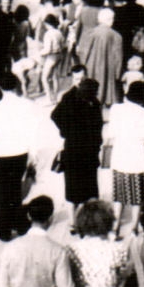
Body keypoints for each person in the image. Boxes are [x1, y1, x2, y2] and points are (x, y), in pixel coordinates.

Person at [0, 72, 46, 241]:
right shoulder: (27, 105)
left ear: (1, 88)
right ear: (16, 85)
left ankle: (3, 230)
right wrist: (34, 152)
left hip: (1, 154)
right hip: (20, 153)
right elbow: (33, 130)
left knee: (3, 192)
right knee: (16, 189)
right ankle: (20, 224)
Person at [107, 82, 144, 236]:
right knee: (137, 197)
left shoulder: (115, 109)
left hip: (120, 158)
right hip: (137, 159)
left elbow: (110, 133)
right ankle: (134, 228)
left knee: (119, 196)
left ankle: (115, 228)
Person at [54, 76, 106, 212]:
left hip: (71, 150)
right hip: (89, 152)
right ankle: (88, 219)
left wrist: (64, 131)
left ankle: (72, 223)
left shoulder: (69, 100)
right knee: (89, 188)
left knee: (73, 189)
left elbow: (54, 115)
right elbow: (97, 129)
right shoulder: (93, 105)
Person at [79, 8, 126, 108]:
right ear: (110, 19)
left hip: (91, 66)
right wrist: (117, 74)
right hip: (108, 68)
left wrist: (83, 65)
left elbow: (84, 52)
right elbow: (118, 57)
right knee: (106, 90)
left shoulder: (91, 33)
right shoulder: (117, 36)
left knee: (91, 91)